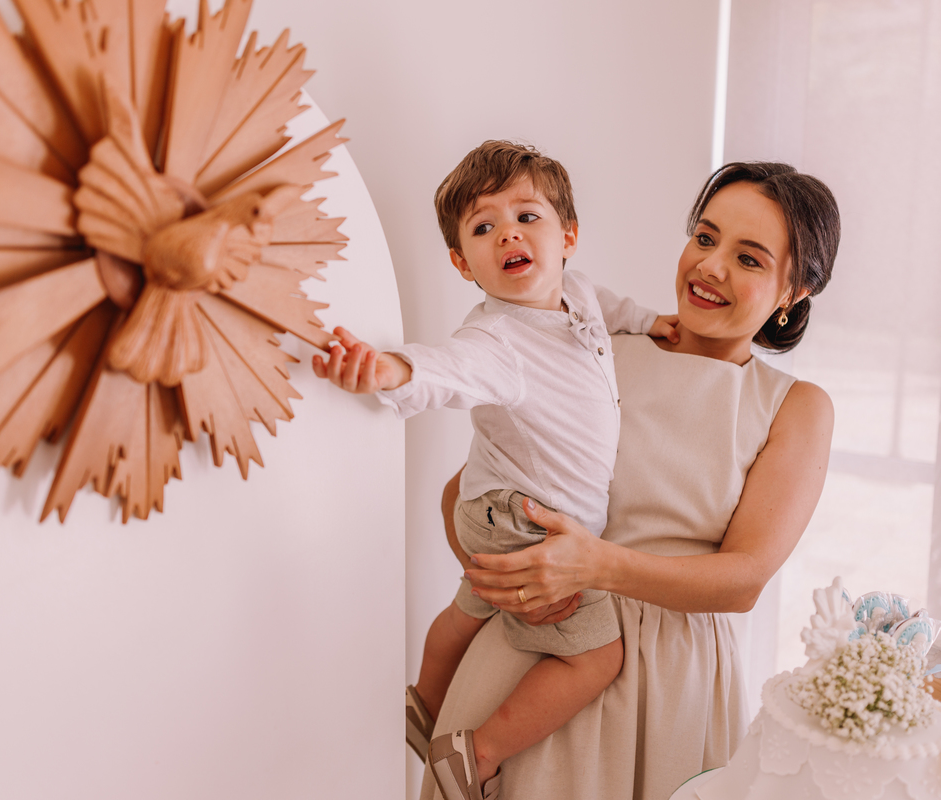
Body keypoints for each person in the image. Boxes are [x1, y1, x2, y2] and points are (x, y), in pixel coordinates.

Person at [420, 161, 841, 800]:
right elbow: (466, 491)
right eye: (705, 238)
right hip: (536, 658)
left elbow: (744, 578)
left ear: (793, 292)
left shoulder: (793, 405)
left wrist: (593, 566)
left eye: (749, 259)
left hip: (674, 687)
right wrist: (517, 578)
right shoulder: (596, 345)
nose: (710, 266)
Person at [312, 140, 676, 800]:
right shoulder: (497, 340)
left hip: (490, 504)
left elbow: (618, 309)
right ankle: (475, 754)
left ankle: (423, 704)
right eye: (484, 227)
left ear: (567, 236)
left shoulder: (582, 295)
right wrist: (384, 369)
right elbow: (440, 371)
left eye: (526, 217)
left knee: (473, 603)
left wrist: (657, 324)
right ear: (461, 262)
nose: (508, 231)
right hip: (519, 519)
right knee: (599, 655)